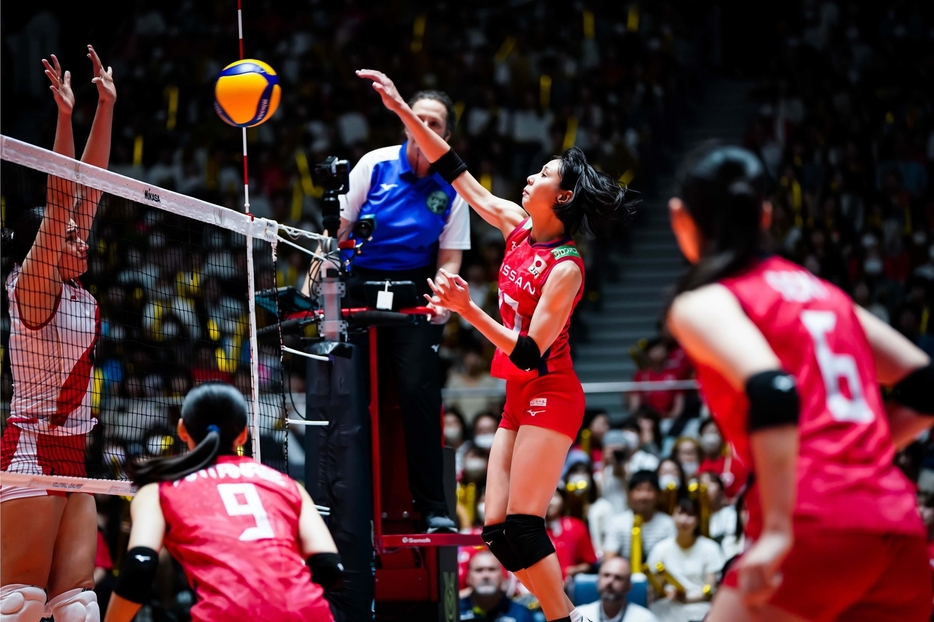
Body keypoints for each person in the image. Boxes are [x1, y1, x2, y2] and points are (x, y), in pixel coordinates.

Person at [357, 68, 635, 622]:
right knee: (497, 534)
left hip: (551, 390)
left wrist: (466, 309)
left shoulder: (567, 267)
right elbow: (459, 176)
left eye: (543, 174)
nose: (530, 178)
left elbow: (530, 350)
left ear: (564, 195)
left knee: (525, 526)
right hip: (517, 393)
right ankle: (569, 616)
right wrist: (402, 114)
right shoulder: (514, 226)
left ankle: (566, 619)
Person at [664, 142, 934, 621]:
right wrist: (860, 456)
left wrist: (778, 532)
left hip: (814, 530)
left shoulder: (705, 302)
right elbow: (925, 384)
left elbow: (773, 388)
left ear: (680, 216)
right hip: (899, 530)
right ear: (765, 214)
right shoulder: (825, 294)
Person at [306, 87, 472, 533]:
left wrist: (442, 295)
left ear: (447, 134)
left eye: (435, 123)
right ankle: (339, 504)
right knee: (350, 397)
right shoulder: (375, 164)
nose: (424, 128)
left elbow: (450, 255)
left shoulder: (455, 185)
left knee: (419, 396)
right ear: (404, 123)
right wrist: (322, 273)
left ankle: (432, 507)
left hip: (415, 293)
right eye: (417, 119)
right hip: (359, 286)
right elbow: (336, 230)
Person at [1, 46, 115, 622]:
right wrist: (62, 123)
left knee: (79, 609)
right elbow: (61, 199)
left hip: (75, 453)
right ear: (43, 242)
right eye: (69, 233)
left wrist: (102, 108)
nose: (82, 236)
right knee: (21, 604)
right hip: (30, 450)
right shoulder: (35, 287)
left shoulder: (74, 285)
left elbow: (85, 188)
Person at [103, 382, 339, 622]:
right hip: (309, 613)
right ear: (243, 434)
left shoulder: (158, 490)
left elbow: (139, 568)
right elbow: (329, 568)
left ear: (182, 430)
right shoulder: (288, 485)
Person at [646, 498, 724, 622]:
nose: (683, 520)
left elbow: (711, 588)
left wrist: (687, 599)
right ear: (672, 516)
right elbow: (654, 587)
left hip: (700, 606)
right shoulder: (660, 548)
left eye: (689, 515)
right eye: (680, 513)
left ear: (698, 520)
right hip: (668, 606)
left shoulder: (710, 548)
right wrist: (666, 593)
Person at [603, 470, 676, 563]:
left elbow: (672, 558)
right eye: (638, 489)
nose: (644, 496)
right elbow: (609, 559)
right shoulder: (617, 523)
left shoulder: (668, 524)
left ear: (658, 495)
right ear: (629, 494)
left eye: (649, 490)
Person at [460, 551, 536, 622]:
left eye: (492, 569)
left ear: (502, 576)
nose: (486, 575)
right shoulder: (454, 611)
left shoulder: (521, 614)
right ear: (468, 578)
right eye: (479, 570)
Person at [577, 558, 659, 622]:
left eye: (618, 578)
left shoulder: (645, 619)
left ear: (629, 586)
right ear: (598, 580)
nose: (610, 582)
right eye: (606, 575)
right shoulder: (579, 616)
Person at [545, 489, 598, 580]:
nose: (550, 502)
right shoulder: (527, 530)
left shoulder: (576, 527)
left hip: (569, 586)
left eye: (554, 496)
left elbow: (589, 563)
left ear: (563, 500)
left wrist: (572, 571)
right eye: (544, 496)